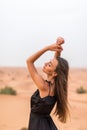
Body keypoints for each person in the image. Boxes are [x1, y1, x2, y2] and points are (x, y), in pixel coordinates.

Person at [26, 37, 69, 130]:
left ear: (54, 73)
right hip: (46, 124)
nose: (46, 63)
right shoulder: (57, 87)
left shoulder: (44, 86)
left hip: (37, 126)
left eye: (49, 64)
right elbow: (56, 63)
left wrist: (47, 48)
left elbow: (29, 61)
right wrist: (58, 46)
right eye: (49, 62)